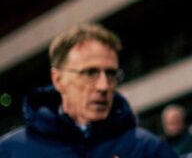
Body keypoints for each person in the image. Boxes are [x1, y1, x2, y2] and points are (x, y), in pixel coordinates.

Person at [0, 23, 178, 157]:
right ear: (58, 80)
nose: (103, 86)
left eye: (111, 74)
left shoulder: (148, 149)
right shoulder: (11, 151)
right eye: (90, 73)